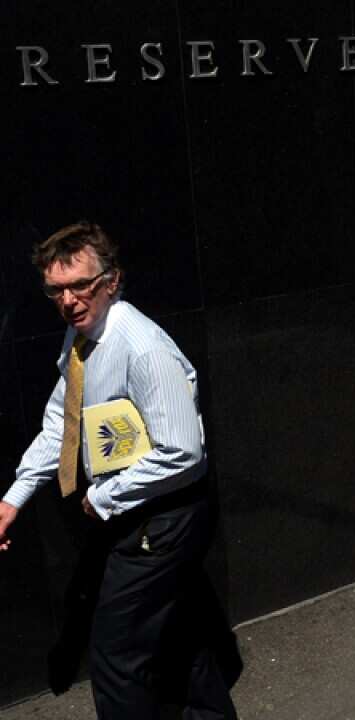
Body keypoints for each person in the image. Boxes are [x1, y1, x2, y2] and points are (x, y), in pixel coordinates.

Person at [0, 222, 239, 719]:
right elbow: (60, 426)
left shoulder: (143, 347)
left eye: (80, 285)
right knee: (179, 636)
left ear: (110, 281)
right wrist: (12, 499)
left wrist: (107, 497)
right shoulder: (80, 337)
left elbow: (183, 451)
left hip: (163, 517)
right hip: (140, 514)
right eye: (56, 289)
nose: (68, 300)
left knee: (116, 657)